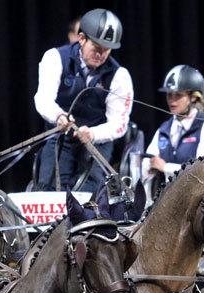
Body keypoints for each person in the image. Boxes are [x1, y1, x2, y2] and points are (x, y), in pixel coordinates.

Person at [33, 8, 133, 193]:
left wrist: (94, 133)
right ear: (81, 39)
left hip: (96, 140)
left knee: (92, 192)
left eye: (106, 50)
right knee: (49, 188)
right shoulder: (55, 58)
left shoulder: (120, 75)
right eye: (96, 48)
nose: (101, 54)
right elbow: (43, 98)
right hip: (60, 133)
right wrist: (59, 116)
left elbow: (119, 123)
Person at [141, 64, 204, 203]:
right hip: (165, 202)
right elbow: (148, 163)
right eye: (169, 95)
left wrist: (165, 167)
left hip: (196, 204)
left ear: (194, 98)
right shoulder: (163, 129)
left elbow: (202, 171)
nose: (172, 100)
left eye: (178, 95)